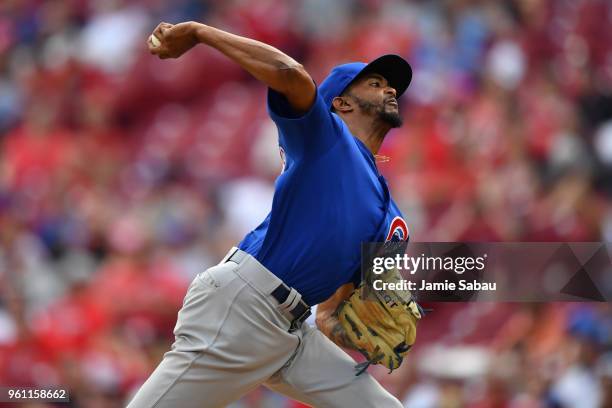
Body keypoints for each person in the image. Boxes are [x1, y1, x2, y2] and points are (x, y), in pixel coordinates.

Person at [128, 20, 412, 408]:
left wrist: (338, 323)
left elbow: (334, 305)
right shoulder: (325, 139)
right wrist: (197, 32)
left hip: (292, 332)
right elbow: (288, 73)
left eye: (389, 84)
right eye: (375, 83)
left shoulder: (388, 211)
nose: (390, 89)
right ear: (341, 102)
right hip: (244, 307)